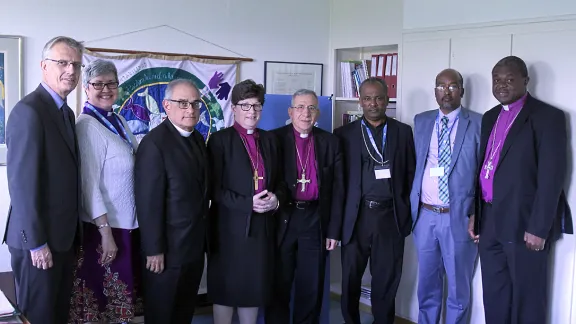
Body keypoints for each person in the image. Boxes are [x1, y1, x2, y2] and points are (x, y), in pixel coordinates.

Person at [474, 56, 572, 324]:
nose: (501, 85)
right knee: (494, 294)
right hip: (490, 219)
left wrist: (540, 227)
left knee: (528, 298)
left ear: (525, 81)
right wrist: (476, 214)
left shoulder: (547, 116)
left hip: (525, 223)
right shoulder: (490, 117)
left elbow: (552, 176)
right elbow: (483, 167)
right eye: (496, 79)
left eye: (509, 79)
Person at [3, 36, 83, 324]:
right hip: (38, 241)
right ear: (43, 66)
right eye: (62, 62)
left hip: (61, 239)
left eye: (76, 64)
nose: (71, 70)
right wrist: (37, 243)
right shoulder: (29, 111)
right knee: (39, 317)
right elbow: (22, 185)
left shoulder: (65, 112)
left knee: (57, 316)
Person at [334, 77, 416, 324]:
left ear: (387, 100)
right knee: (350, 279)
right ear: (360, 101)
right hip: (356, 218)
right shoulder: (343, 135)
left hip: (390, 218)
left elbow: (411, 174)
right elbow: (338, 184)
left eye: (378, 98)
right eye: (367, 98)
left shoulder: (403, 132)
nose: (373, 103)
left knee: (387, 279)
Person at [68, 59, 143, 323]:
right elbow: (88, 185)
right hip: (103, 232)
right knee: (99, 305)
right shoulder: (87, 126)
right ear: (87, 88)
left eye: (111, 83)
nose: (105, 89)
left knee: (119, 306)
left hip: (125, 227)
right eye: (98, 84)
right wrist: (105, 232)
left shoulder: (118, 119)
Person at [207, 79, 287, 324]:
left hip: (261, 230)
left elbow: (282, 182)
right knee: (226, 289)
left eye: (257, 105)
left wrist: (276, 200)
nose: (251, 112)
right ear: (233, 108)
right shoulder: (220, 141)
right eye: (245, 105)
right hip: (229, 229)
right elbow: (213, 190)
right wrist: (246, 203)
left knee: (253, 289)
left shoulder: (271, 140)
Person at [134, 78, 209, 324]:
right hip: (166, 253)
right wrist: (154, 250)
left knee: (184, 313)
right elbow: (148, 203)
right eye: (183, 103)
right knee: (162, 315)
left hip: (193, 249)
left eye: (195, 103)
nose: (190, 109)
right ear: (166, 105)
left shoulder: (197, 138)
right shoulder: (154, 144)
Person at [266, 89, 344, 324]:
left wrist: (334, 230)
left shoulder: (330, 142)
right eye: (300, 107)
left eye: (311, 108)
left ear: (318, 113)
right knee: (278, 284)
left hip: (315, 219)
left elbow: (339, 189)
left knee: (311, 286)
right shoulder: (274, 139)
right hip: (283, 217)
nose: (305, 113)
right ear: (290, 111)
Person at [410, 69, 481, 324]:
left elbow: (483, 174)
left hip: (459, 218)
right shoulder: (421, 121)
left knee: (458, 289)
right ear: (435, 91)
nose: (446, 91)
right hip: (425, 216)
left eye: (452, 86)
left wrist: (477, 215)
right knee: (427, 285)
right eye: (441, 86)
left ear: (462, 90)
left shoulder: (479, 123)